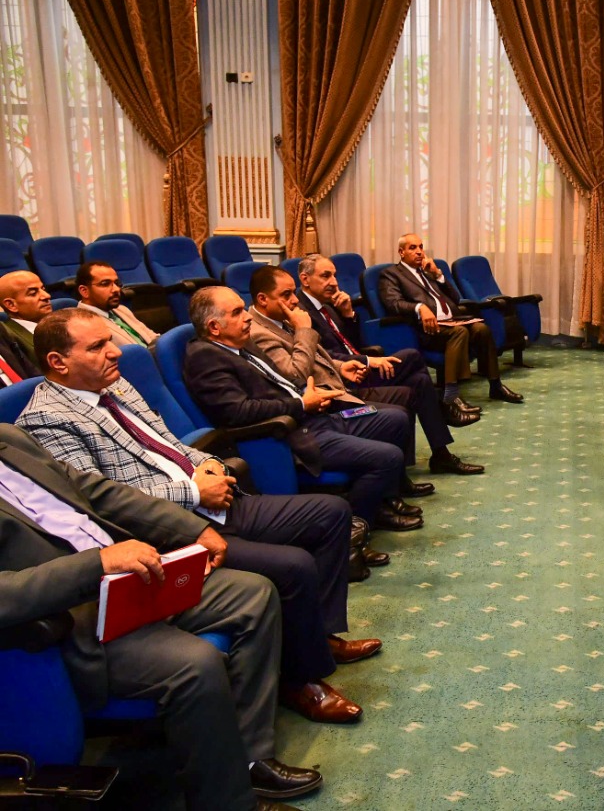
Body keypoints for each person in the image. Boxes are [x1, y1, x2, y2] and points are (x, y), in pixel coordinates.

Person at [18, 307, 377, 725]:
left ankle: (320, 637)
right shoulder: (47, 420)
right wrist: (192, 491)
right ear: (58, 362)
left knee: (330, 512)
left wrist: (208, 465)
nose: (115, 351)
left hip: (210, 499)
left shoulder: (114, 384)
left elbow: (169, 443)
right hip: (165, 530)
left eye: (110, 341)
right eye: (97, 346)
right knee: (293, 565)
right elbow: (100, 503)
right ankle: (300, 681)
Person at [0, 423, 320, 810]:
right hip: (68, 622)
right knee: (196, 663)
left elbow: (99, 492)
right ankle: (228, 802)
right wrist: (95, 565)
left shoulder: (10, 438)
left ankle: (250, 759)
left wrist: (191, 528)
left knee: (254, 593)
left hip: (131, 578)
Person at [182, 286, 423, 532]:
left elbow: (283, 380)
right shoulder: (205, 358)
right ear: (214, 327)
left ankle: (381, 501)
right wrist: (301, 403)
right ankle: (355, 526)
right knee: (389, 456)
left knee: (396, 419)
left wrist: (314, 391)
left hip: (315, 416)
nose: (247, 317)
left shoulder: (241, 343)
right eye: (237, 313)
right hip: (293, 435)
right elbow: (237, 412)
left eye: (244, 309)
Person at [247, 266, 445, 502]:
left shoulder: (286, 316)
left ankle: (410, 473)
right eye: (287, 294)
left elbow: (321, 354)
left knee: (416, 382)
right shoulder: (262, 332)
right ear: (263, 299)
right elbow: (296, 374)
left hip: (339, 384)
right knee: (399, 409)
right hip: (325, 402)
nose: (294, 299)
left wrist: (341, 366)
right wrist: (303, 330)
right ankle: (392, 488)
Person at [293, 257, 485, 475]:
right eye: (326, 276)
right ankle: (444, 408)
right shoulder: (300, 313)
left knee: (419, 381)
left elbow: (353, 344)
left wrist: (348, 315)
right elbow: (322, 357)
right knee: (412, 356)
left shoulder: (329, 303)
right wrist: (367, 360)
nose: (334, 282)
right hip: (343, 380)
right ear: (305, 279)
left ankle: (441, 454)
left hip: (359, 368)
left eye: (334, 275)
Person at [377, 233, 523, 418]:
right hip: (427, 328)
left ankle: (496, 385)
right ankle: (451, 397)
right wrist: (419, 307)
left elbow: (455, 298)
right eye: (412, 248)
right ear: (401, 252)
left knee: (481, 329)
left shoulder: (427, 271)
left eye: (421, 247)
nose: (419, 252)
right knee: (459, 332)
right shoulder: (390, 274)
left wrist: (438, 275)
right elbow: (393, 303)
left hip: (452, 321)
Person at [75, 260, 158, 346]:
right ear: (84, 291)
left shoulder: (121, 309)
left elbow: (151, 336)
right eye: (105, 284)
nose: (116, 289)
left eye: (117, 283)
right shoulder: (82, 324)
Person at [0, 269, 52, 363]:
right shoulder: (9, 338)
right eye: (33, 293)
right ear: (11, 305)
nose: (46, 296)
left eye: (43, 289)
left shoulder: (62, 322)